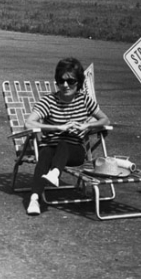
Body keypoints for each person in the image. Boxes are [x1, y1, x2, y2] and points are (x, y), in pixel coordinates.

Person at [24, 57, 110, 216]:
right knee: (45, 154)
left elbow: (105, 119)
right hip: (50, 147)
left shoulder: (85, 100)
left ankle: (55, 173)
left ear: (78, 82)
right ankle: (34, 199)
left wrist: (87, 125)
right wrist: (58, 127)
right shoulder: (49, 101)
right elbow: (29, 123)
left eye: (70, 81)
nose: (65, 85)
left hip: (75, 151)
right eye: (60, 81)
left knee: (63, 144)